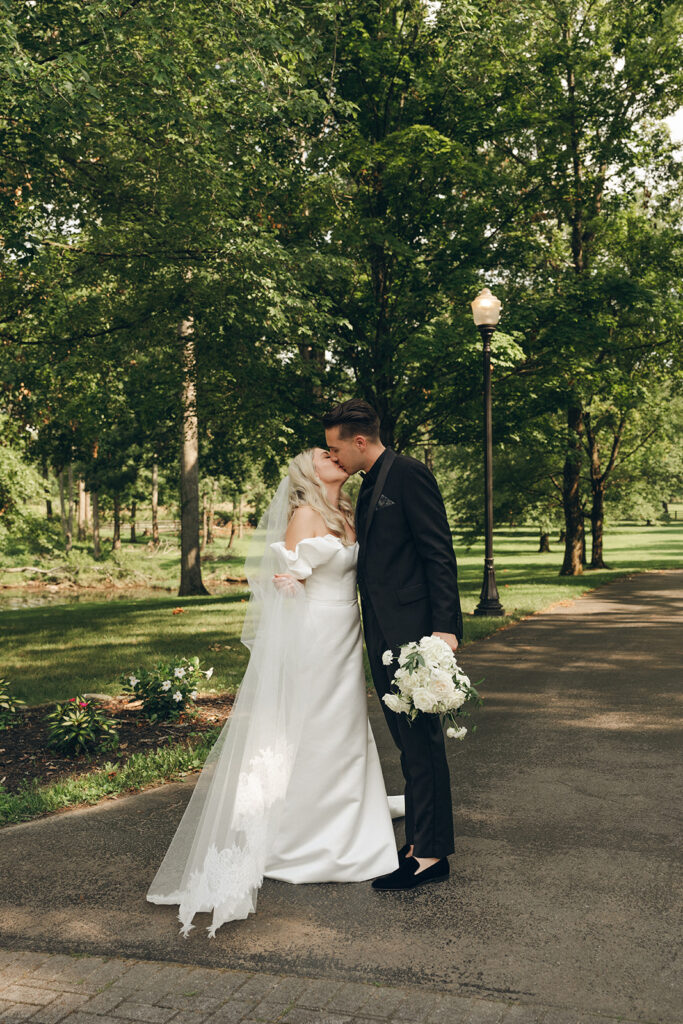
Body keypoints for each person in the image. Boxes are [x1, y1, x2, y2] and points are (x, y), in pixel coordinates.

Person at [146, 446, 403, 938]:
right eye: (324, 455)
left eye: (334, 451)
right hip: (314, 636)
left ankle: (354, 824)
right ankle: (303, 838)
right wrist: (288, 584)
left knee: (346, 726)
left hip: (347, 630)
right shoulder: (305, 514)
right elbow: (282, 579)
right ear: (309, 472)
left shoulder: (347, 509)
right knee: (315, 728)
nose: (334, 456)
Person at [323, 398, 463, 891]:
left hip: (416, 630)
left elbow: (437, 552)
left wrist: (445, 629)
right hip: (383, 630)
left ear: (359, 440)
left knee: (422, 742)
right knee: (406, 743)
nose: (334, 456)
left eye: (336, 448)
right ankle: (417, 841)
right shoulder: (368, 483)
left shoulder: (407, 474)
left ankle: (430, 855)